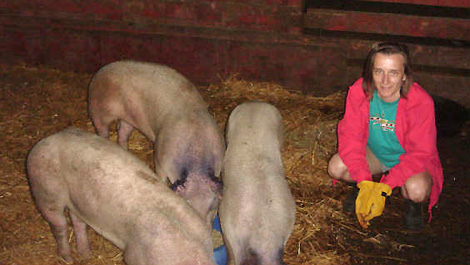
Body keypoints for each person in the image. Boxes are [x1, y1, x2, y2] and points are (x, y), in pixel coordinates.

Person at [327, 42, 444, 230]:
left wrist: (386, 186)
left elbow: (420, 152)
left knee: (416, 190)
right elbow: (351, 139)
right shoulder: (359, 92)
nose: (385, 81)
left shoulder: (420, 102)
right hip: (376, 155)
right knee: (337, 167)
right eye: (379, 71)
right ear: (370, 73)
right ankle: (364, 186)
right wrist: (364, 180)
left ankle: (414, 206)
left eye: (393, 72)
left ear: (405, 75)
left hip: (409, 160)